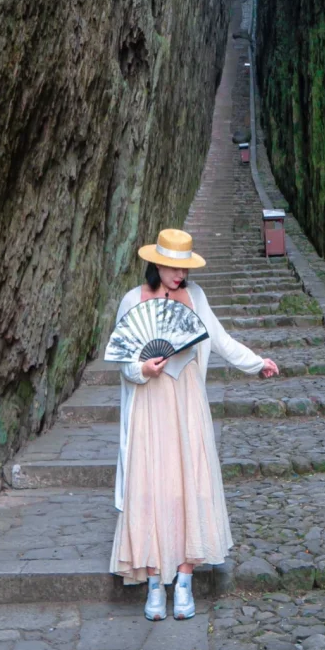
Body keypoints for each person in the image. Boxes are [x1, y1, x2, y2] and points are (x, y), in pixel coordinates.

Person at [109, 227, 280, 620]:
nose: (179, 275)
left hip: (187, 402)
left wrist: (257, 363)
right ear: (156, 264)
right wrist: (142, 369)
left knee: (191, 483)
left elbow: (220, 340)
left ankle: (184, 580)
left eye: (184, 268)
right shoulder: (132, 300)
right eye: (172, 267)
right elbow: (122, 358)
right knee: (150, 486)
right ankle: (155, 583)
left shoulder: (196, 297)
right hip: (149, 403)